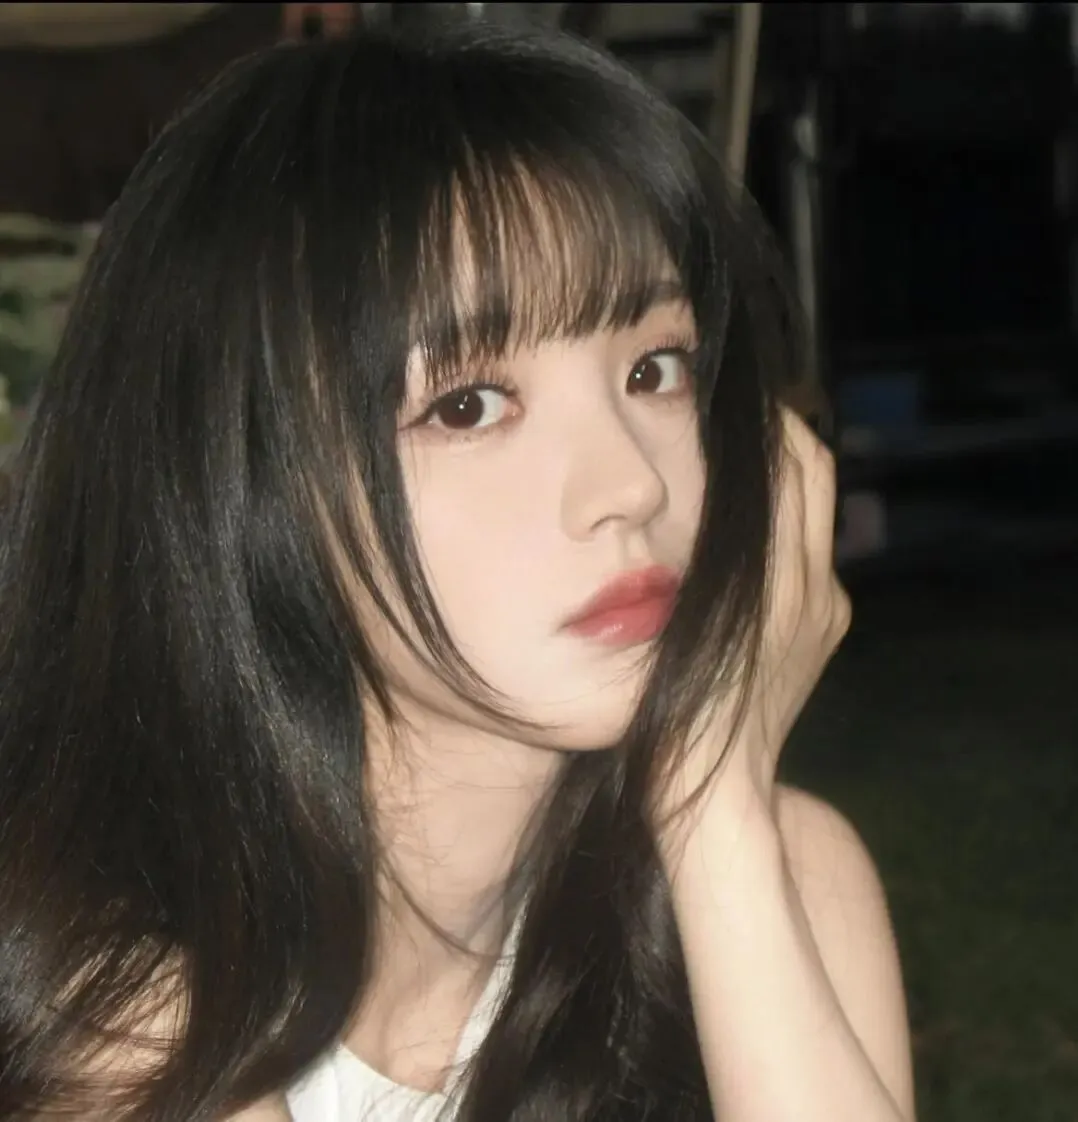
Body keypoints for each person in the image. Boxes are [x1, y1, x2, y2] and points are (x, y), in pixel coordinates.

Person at [0, 17, 914, 1122]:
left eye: (654, 369)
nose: (631, 484)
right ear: (237, 476)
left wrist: (718, 813)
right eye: (469, 406)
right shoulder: (128, 1002)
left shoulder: (783, 873)